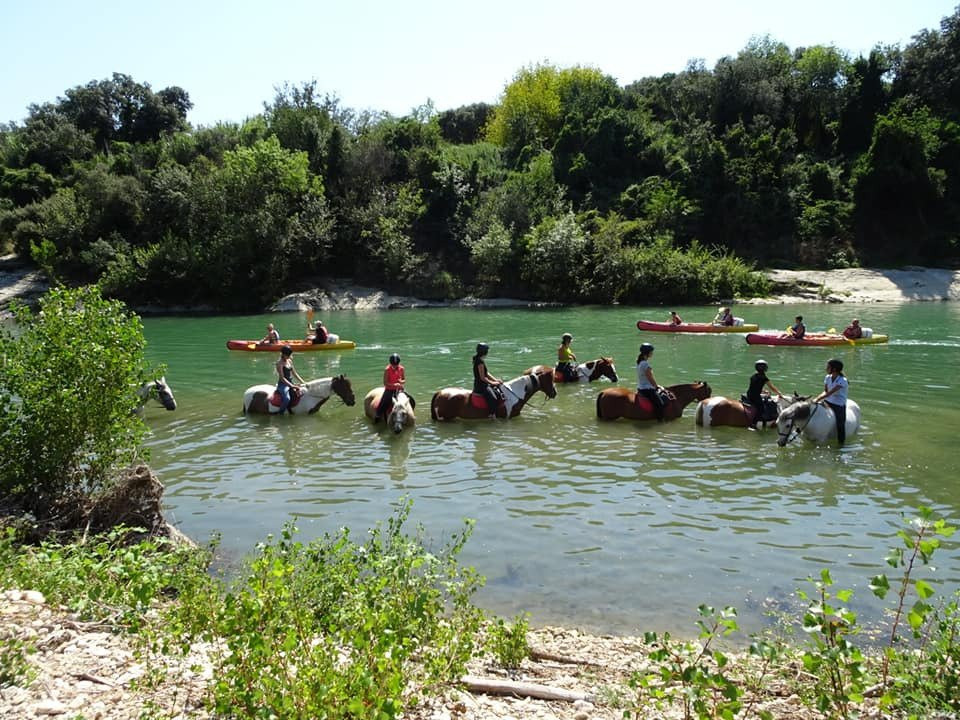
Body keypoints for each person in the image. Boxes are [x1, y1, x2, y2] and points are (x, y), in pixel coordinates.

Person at [814, 358, 848, 446]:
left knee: (840, 425)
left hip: (838, 404)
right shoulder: (827, 377)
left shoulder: (842, 380)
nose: (826, 368)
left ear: (834, 369)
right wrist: (817, 399)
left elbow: (830, 393)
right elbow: (825, 391)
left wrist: (817, 399)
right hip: (827, 401)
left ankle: (841, 443)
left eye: (828, 367)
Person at [744, 359, 782, 429]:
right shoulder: (764, 378)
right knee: (761, 408)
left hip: (749, 394)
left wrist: (763, 391)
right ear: (765, 368)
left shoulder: (753, 376)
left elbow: (754, 387)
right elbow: (772, 388)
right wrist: (779, 393)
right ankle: (753, 424)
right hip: (755, 396)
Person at [636, 342, 665, 421]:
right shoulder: (645, 364)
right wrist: (656, 386)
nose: (652, 353)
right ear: (647, 353)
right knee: (661, 404)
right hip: (647, 389)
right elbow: (650, 378)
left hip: (640, 388)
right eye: (651, 352)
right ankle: (660, 421)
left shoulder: (639, 362)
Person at [472, 343, 503, 418]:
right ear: (484, 351)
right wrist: (493, 383)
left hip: (482, 384)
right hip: (481, 386)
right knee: (494, 398)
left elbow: (486, 373)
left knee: (498, 393)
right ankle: (491, 414)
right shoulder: (480, 362)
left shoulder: (479, 360)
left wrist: (496, 380)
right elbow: (483, 378)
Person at [275, 345, 306, 415]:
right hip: (283, 384)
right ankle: (280, 414)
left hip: (291, 383)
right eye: (288, 355)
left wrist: (303, 382)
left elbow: (295, 373)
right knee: (287, 399)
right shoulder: (279, 363)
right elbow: (282, 378)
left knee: (302, 393)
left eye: (289, 355)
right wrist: (292, 386)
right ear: (283, 354)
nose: (289, 356)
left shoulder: (289, 361)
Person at [375, 353, 406, 422]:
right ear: (390, 363)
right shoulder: (387, 370)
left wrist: (401, 381)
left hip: (400, 389)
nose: (395, 366)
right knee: (383, 402)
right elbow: (385, 383)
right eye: (393, 365)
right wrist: (395, 385)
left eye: (396, 364)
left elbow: (404, 380)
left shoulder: (402, 368)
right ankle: (377, 415)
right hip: (389, 389)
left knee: (410, 399)